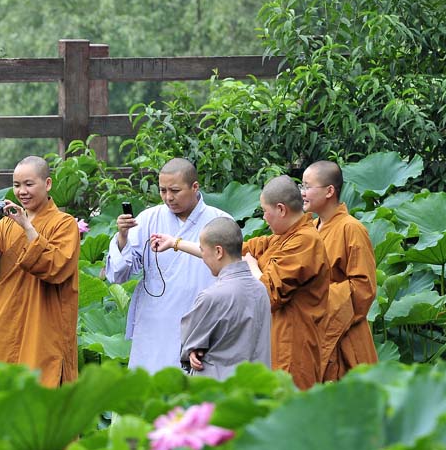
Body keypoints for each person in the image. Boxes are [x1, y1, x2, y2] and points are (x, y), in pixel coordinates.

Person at [104, 158, 231, 373]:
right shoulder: (147, 219)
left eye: (175, 190)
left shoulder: (220, 222)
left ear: (195, 187)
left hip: (202, 321)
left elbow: (232, 271)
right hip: (155, 322)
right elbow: (120, 273)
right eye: (163, 190)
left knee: (198, 397)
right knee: (151, 391)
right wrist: (123, 236)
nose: (168, 198)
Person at [0, 155, 80, 387]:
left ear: (47, 184)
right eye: (17, 185)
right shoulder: (6, 224)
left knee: (43, 393)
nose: (22, 192)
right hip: (6, 320)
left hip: (44, 323)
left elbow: (57, 267)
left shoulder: (64, 223)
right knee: (4, 394)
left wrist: (27, 227)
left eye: (29, 184)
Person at [151, 217, 271, 380]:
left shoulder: (212, 296)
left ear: (219, 252)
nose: (203, 256)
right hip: (255, 387)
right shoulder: (261, 289)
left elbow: (190, 341)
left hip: (218, 390)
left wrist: (192, 351)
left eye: (203, 250)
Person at [242, 175, 330, 390]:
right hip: (273, 338)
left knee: (291, 407)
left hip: (293, 345)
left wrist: (252, 265)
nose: (264, 218)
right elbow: (228, 252)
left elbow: (266, 294)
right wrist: (176, 244)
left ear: (281, 209)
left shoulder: (304, 241)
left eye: (265, 210)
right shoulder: (280, 238)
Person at [301, 160, 379, 381]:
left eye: (307, 186)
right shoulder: (309, 228)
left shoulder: (351, 229)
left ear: (329, 191)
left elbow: (363, 289)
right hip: (314, 334)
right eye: (302, 186)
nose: (303, 193)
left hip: (345, 336)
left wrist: (314, 299)